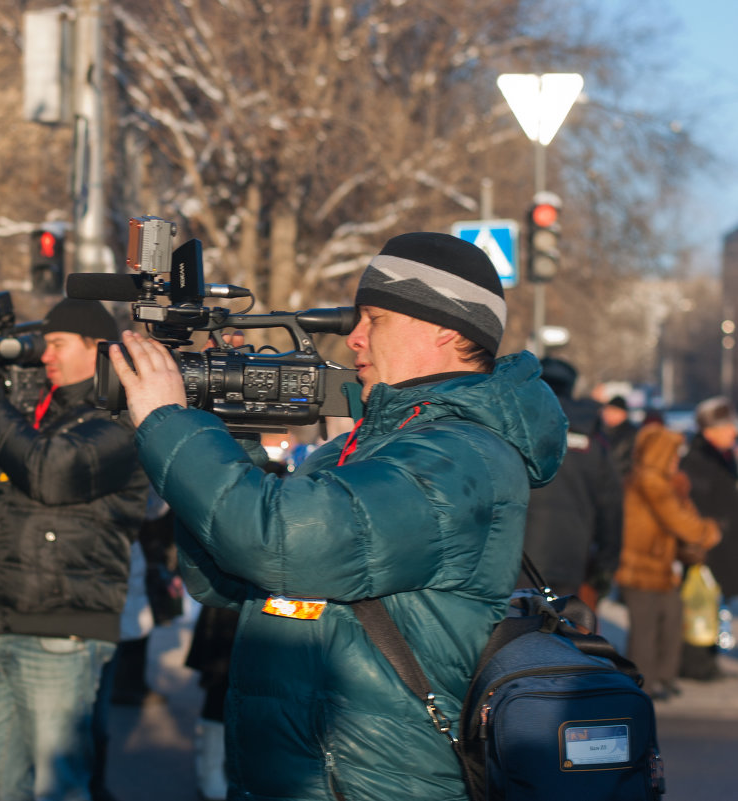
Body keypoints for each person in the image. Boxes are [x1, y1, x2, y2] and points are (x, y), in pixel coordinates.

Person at [108, 231, 567, 801]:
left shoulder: (458, 458)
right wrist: (229, 431)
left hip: (369, 784)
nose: (354, 338)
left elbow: (279, 544)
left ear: (445, 327)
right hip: (297, 775)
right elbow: (231, 579)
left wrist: (169, 422)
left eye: (374, 319)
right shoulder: (366, 449)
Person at [0, 298, 149, 801]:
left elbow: (50, 473)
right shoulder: (35, 417)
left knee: (58, 788)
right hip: (3, 624)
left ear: (96, 347)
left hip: (66, 632)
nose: (45, 356)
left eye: (56, 344)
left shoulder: (122, 418)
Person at [615, 422, 720, 699]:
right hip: (639, 567)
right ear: (661, 454)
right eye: (672, 455)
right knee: (646, 630)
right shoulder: (649, 480)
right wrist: (707, 532)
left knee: (671, 620)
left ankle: (663, 677)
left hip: (661, 567)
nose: (677, 461)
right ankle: (643, 685)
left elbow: (679, 515)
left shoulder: (663, 480)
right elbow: (677, 520)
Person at [520, 358, 623, 604]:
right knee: (562, 637)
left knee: (514, 638)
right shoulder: (591, 434)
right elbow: (611, 504)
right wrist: (606, 564)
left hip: (517, 561)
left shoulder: (517, 424)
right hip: (573, 560)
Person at [677, 397, 738, 678]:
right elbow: (699, 504)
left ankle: (707, 658)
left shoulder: (722, 456)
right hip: (710, 546)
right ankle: (697, 663)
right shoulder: (699, 458)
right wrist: (715, 530)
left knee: (714, 603)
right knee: (700, 603)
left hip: (725, 542)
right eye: (728, 427)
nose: (733, 432)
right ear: (710, 430)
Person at [598, 394, 639, 479]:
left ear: (623, 413)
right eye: (607, 410)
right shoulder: (600, 430)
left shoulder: (631, 434)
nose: (607, 414)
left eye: (612, 411)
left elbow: (629, 461)